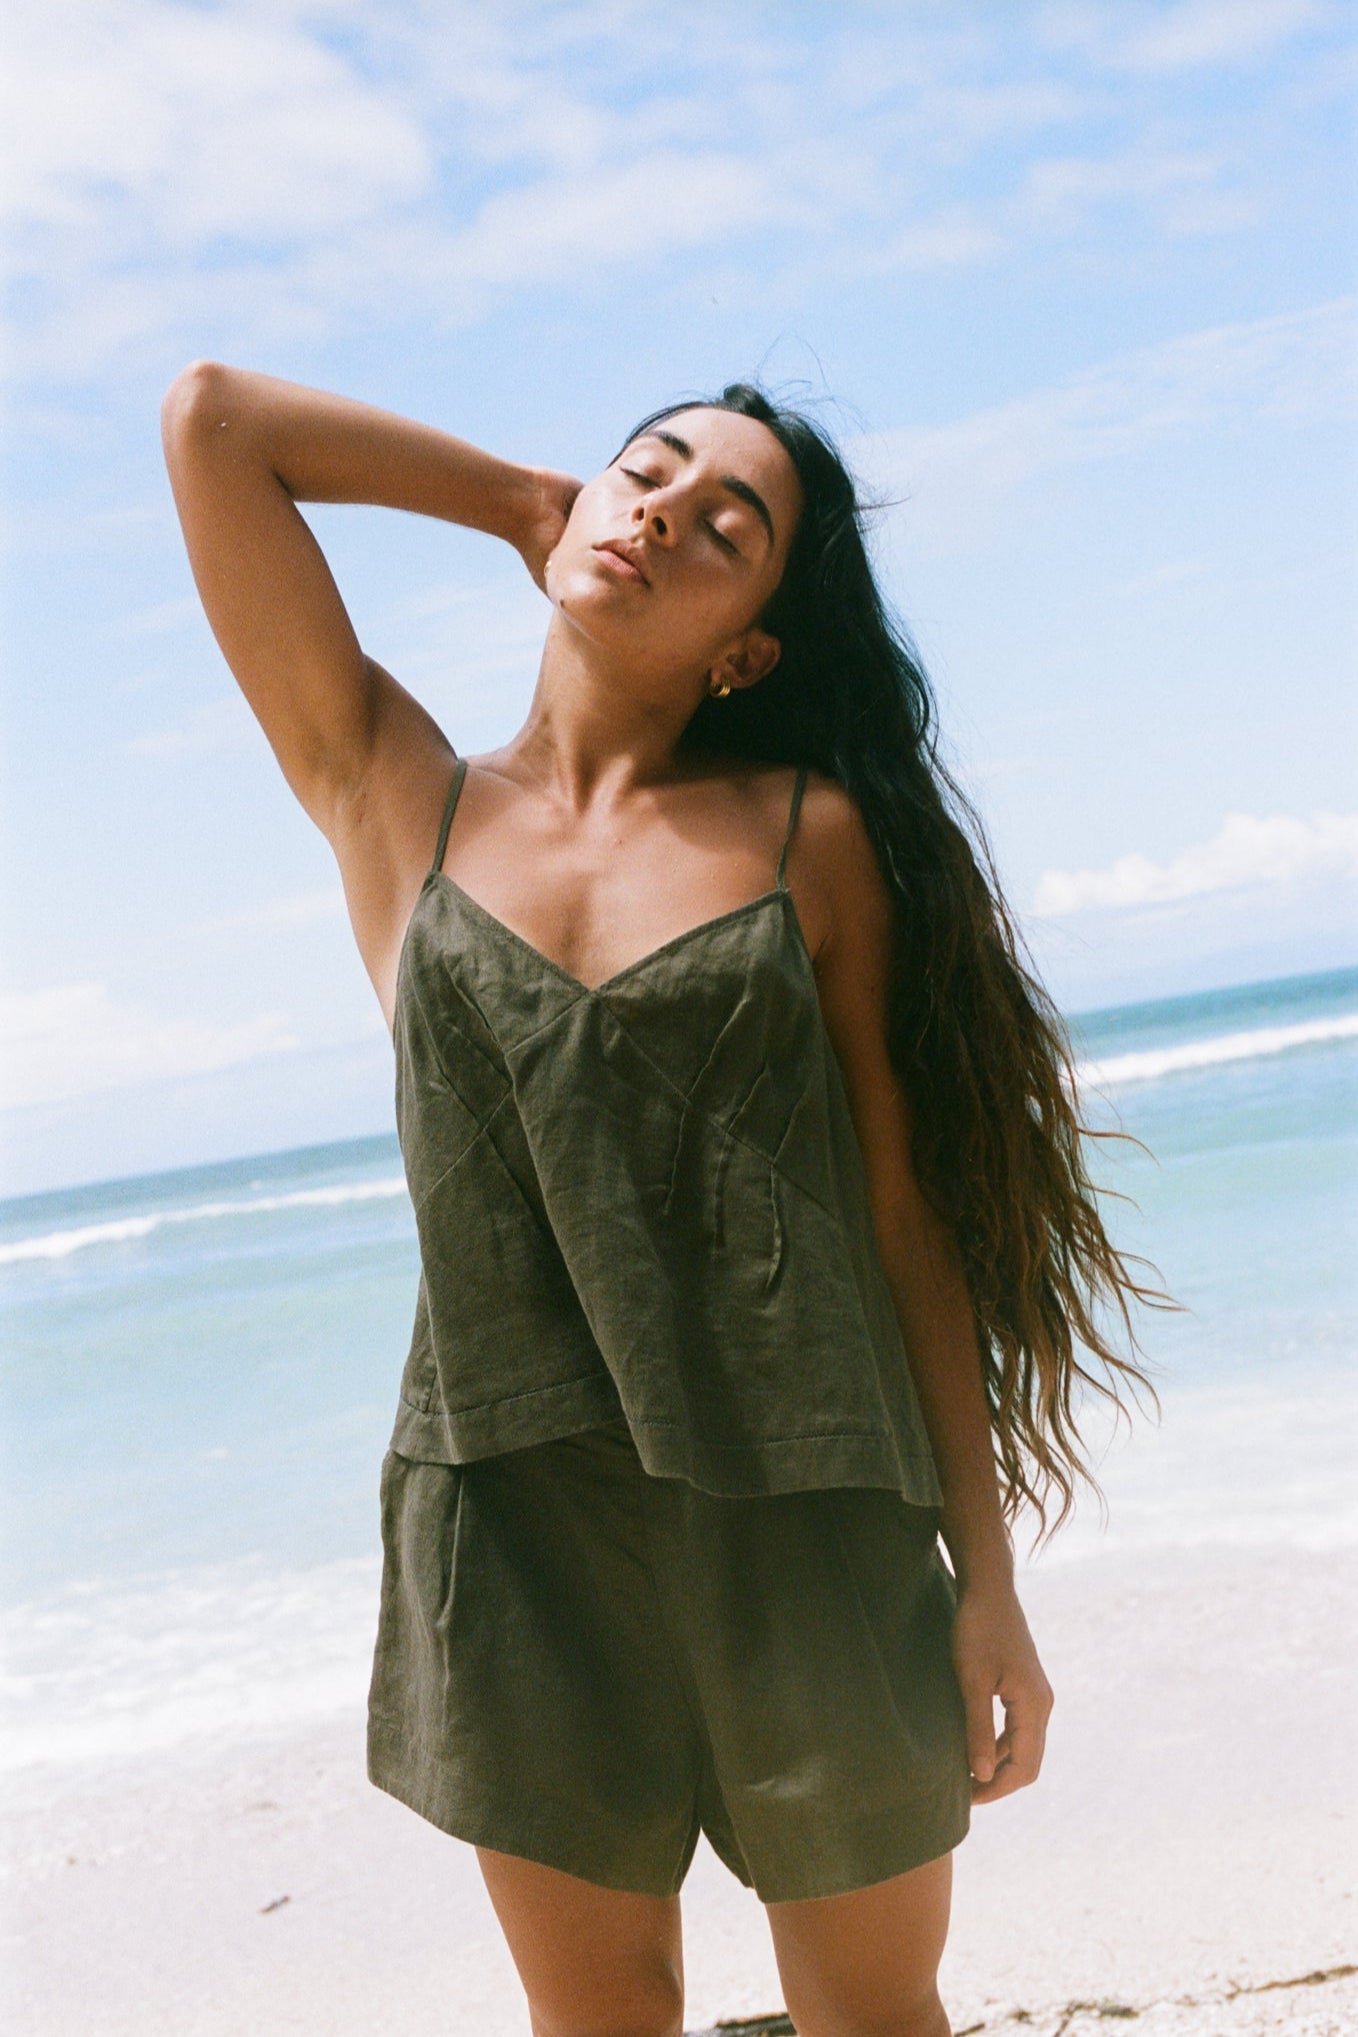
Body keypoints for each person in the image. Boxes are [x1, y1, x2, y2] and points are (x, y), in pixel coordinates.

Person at [161, 363, 1156, 2037]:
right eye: (646, 472)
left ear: (745, 648)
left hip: (813, 1518)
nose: (658, 515)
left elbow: (903, 1221)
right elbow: (214, 427)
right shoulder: (395, 793)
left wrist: (988, 1578)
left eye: (722, 530)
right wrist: (520, 501)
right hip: (518, 1530)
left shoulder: (803, 837)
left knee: (875, 2018)